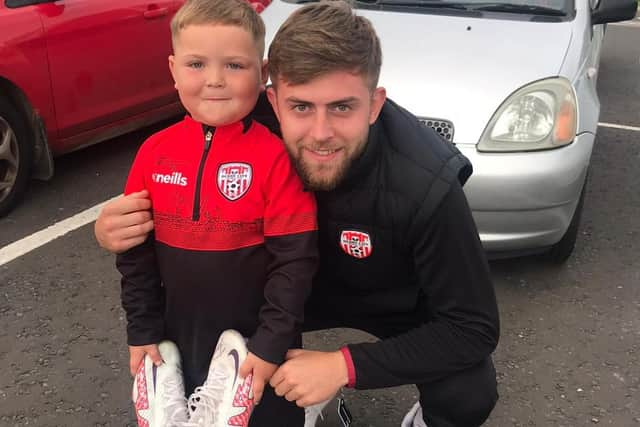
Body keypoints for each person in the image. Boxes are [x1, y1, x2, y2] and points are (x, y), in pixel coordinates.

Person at [97, 1, 500, 426]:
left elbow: (473, 327)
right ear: (272, 99)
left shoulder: (426, 183)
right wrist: (119, 229)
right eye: (301, 107)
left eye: (343, 107)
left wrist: (343, 366)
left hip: (390, 297)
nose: (321, 134)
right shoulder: (240, 113)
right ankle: (281, 404)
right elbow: (177, 173)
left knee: (469, 388)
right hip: (281, 288)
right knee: (212, 303)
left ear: (375, 103)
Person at [116, 0, 318, 425]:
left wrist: (269, 345)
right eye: (195, 64)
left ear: (262, 73)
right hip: (179, 337)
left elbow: (294, 264)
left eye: (234, 66)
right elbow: (134, 257)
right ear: (172, 70)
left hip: (259, 346)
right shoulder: (154, 153)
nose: (214, 81)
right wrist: (142, 329)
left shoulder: (277, 156)